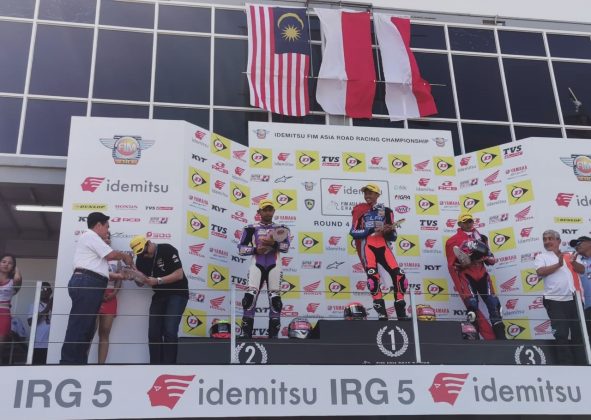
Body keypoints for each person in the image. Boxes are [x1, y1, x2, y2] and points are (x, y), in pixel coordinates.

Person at [60, 212, 134, 364]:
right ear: (98, 225)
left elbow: (101, 268)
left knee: (86, 326)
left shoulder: (91, 240)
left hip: (92, 283)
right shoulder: (90, 236)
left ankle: (79, 362)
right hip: (87, 282)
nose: (108, 230)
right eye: (107, 226)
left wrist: (121, 275)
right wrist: (126, 256)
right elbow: (111, 255)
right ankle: (69, 362)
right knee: (80, 325)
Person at [350, 184, 408, 321]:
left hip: (383, 246)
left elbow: (393, 237)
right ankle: (382, 313)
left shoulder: (387, 211)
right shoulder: (361, 212)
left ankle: (401, 311)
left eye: (370, 193)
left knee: (399, 275)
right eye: (366, 193)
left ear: (377, 195)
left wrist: (388, 232)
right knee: (372, 277)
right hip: (368, 247)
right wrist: (370, 230)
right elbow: (353, 232)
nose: (367, 196)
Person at [445, 212, 505, 340]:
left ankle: (501, 339)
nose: (468, 224)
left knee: (494, 305)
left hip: (482, 274)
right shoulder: (452, 241)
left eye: (470, 221)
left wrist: (483, 256)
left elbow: (491, 260)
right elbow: (452, 266)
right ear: (459, 224)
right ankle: (474, 340)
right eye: (465, 222)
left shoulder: (481, 237)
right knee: (472, 307)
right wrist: (465, 262)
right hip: (467, 276)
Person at [129, 235, 188, 364]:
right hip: (159, 295)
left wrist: (158, 281)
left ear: (149, 243)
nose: (143, 255)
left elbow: (179, 274)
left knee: (170, 330)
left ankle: (170, 366)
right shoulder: (141, 259)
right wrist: (134, 275)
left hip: (177, 293)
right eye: (140, 253)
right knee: (153, 332)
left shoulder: (167, 249)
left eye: (144, 251)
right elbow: (141, 283)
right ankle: (155, 366)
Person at [237, 199, 290, 338]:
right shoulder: (250, 228)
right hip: (257, 264)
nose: (267, 212)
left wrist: (274, 244)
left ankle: (273, 337)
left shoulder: (281, 228)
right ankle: (246, 336)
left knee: (275, 300)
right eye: (264, 210)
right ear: (259, 212)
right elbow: (241, 249)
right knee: (249, 298)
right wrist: (255, 250)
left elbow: (286, 247)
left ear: (274, 211)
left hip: (274, 265)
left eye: (270, 209)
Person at [535, 229, 583, 365]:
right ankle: (566, 365)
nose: (547, 241)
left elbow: (582, 270)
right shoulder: (541, 257)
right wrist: (559, 264)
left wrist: (573, 262)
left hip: (573, 299)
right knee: (561, 334)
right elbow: (540, 271)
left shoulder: (569, 255)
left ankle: (582, 364)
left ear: (559, 241)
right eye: (545, 239)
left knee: (578, 334)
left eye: (550, 238)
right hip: (554, 300)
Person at [94, 233, 125, 364]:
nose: (107, 240)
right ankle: (81, 364)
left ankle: (101, 365)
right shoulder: (94, 256)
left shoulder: (116, 259)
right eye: (103, 238)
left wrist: (114, 293)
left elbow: (120, 278)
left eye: (108, 238)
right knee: (89, 331)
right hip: (94, 295)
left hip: (110, 296)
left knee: (105, 332)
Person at [0, 254, 22, 363]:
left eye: (10, 263)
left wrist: (16, 269)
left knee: (1, 343)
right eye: (3, 262)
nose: (6, 264)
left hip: (4, 313)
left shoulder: (13, 281)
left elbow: (18, 278)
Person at [570, 236, 591, 338]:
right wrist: (573, 262)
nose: (577, 246)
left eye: (579, 242)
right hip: (588, 306)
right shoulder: (577, 261)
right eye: (575, 245)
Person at [27, 282, 52, 365]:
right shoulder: (34, 305)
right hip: (38, 345)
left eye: (45, 289)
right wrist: (47, 309)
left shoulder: (56, 306)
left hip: (53, 345)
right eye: (41, 289)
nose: (43, 291)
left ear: (50, 291)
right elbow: (30, 322)